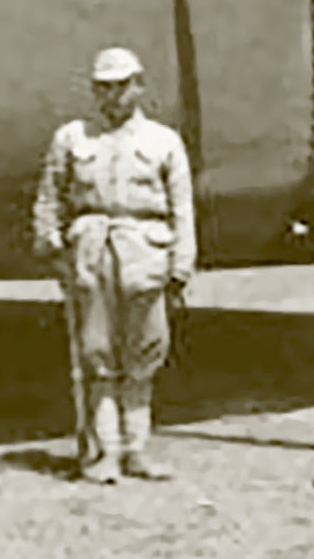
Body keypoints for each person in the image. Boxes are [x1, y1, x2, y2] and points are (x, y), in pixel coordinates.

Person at [32, 46, 196, 483]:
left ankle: (136, 450)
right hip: (90, 256)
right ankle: (103, 454)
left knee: (144, 356)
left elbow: (183, 209)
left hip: (146, 255)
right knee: (96, 358)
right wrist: (50, 245)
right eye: (104, 87)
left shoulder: (164, 141)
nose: (113, 95)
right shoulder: (72, 137)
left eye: (122, 85)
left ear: (139, 86)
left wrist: (181, 267)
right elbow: (50, 196)